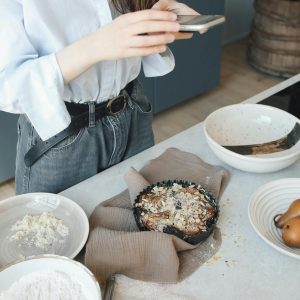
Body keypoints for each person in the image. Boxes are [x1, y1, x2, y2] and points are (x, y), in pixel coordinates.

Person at [0, 0, 201, 194]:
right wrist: (97, 45)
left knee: (140, 218)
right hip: (61, 135)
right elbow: (9, 87)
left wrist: (159, 18)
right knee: (55, 225)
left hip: (132, 112)